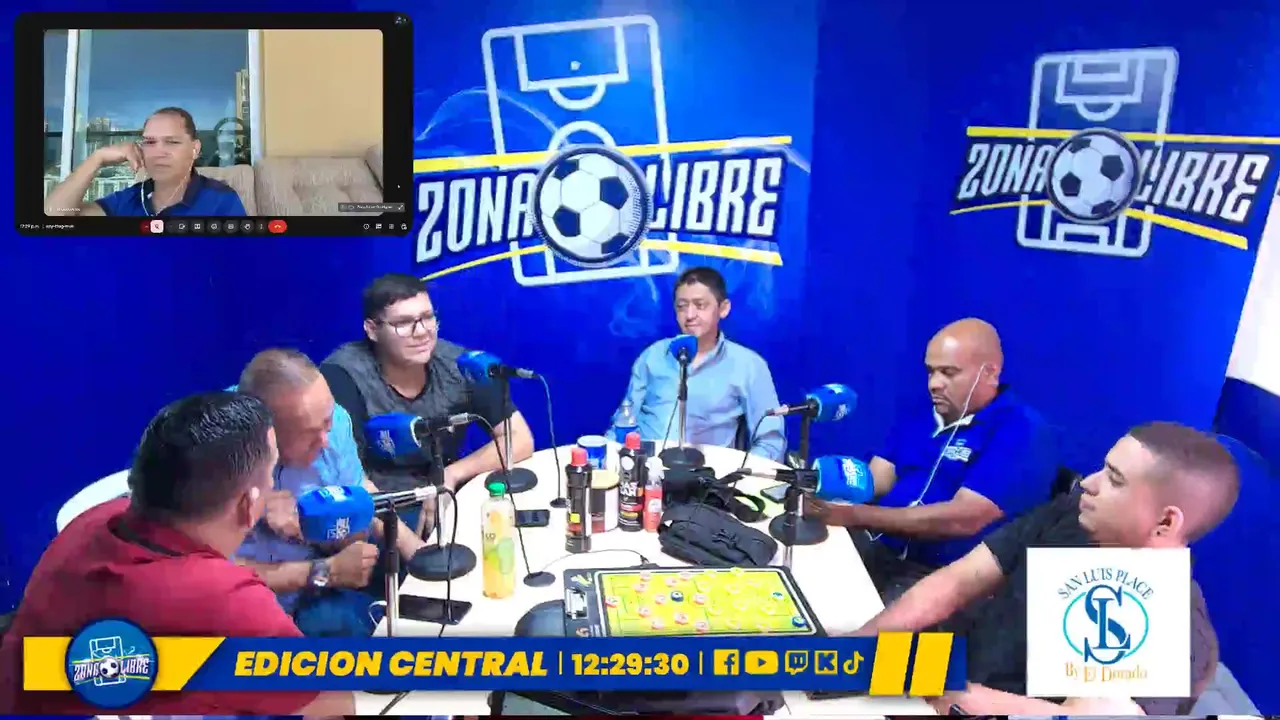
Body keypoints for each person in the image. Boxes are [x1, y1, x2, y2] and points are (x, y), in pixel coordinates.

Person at [0, 392, 352, 714]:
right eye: (270, 475)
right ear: (248, 504)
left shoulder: (93, 522)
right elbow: (325, 701)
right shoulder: (227, 602)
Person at [854, 421, 1236, 715]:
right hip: (948, 667)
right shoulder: (1077, 515)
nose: (1088, 483)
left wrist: (930, 690)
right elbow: (960, 580)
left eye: (1114, 480)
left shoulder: (1173, 632)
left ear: (1166, 522)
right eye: (1103, 469)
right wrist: (858, 646)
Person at [806, 318, 1058, 602]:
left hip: (943, 578)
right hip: (880, 548)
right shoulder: (924, 415)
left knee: (845, 618)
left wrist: (857, 516)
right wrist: (821, 488)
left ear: (990, 373)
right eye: (931, 372)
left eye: (949, 373)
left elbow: (965, 518)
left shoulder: (1021, 430)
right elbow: (876, 479)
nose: (934, 384)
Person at [231, 348, 427, 637]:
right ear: (267, 436)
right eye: (311, 434)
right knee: (336, 623)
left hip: (320, 565)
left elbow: (353, 530)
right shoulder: (214, 457)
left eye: (327, 421)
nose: (325, 441)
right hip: (257, 602)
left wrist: (307, 527)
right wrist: (326, 570)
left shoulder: (334, 423)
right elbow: (211, 578)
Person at [320, 273, 535, 534]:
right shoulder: (344, 376)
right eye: (403, 323)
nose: (421, 332)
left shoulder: (460, 366)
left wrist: (452, 474)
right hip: (376, 513)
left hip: (443, 495)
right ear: (372, 330)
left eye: (427, 317)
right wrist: (411, 546)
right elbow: (349, 480)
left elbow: (520, 439)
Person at [608, 266, 785, 460]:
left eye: (700, 305)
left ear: (723, 308)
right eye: (682, 306)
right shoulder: (653, 356)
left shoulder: (748, 366)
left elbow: (770, 442)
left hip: (707, 473)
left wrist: (742, 474)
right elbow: (624, 422)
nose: (690, 315)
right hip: (645, 467)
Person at [44, 106, 247, 218]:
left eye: (172, 142)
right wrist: (97, 158)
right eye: (150, 142)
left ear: (195, 149)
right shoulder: (129, 200)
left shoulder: (221, 201)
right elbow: (53, 215)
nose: (158, 152)